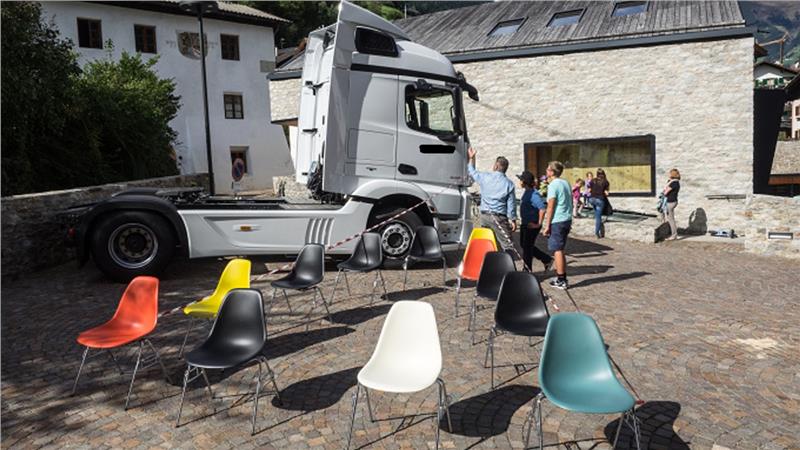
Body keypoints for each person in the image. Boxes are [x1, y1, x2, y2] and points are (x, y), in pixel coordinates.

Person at [467, 146, 517, 253]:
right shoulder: (509, 184)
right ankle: (508, 263)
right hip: (499, 218)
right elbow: (511, 204)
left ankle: (487, 262)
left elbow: (471, 171)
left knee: (486, 243)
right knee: (507, 245)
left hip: (485, 216)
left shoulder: (485, 177)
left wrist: (472, 158)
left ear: (496, 166)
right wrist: (512, 219)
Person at [542, 161, 572, 290]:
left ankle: (561, 279)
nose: (546, 171)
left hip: (557, 220)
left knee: (557, 250)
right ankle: (561, 276)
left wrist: (547, 225)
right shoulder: (566, 183)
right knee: (561, 248)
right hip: (566, 219)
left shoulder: (553, 185)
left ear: (552, 172)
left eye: (548, 169)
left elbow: (551, 206)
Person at [517, 171, 554, 272]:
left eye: (520, 180)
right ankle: (546, 259)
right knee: (524, 245)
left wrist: (538, 224)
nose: (519, 182)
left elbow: (542, 208)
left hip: (532, 224)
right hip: (525, 223)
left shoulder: (534, 194)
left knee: (527, 248)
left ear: (524, 182)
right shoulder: (527, 192)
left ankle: (527, 270)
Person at [587, 168, 610, 238]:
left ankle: (598, 224)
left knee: (597, 213)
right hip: (600, 200)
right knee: (598, 217)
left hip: (591, 199)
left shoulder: (593, 180)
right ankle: (597, 233)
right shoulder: (605, 182)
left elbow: (589, 190)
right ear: (603, 174)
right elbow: (607, 193)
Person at [662, 168, 681, 240]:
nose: (669, 175)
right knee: (670, 218)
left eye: (670, 173)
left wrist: (665, 188)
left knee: (671, 219)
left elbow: (665, 192)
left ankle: (674, 235)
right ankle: (673, 233)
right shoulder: (675, 182)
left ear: (672, 174)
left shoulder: (674, 183)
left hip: (670, 202)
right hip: (673, 201)